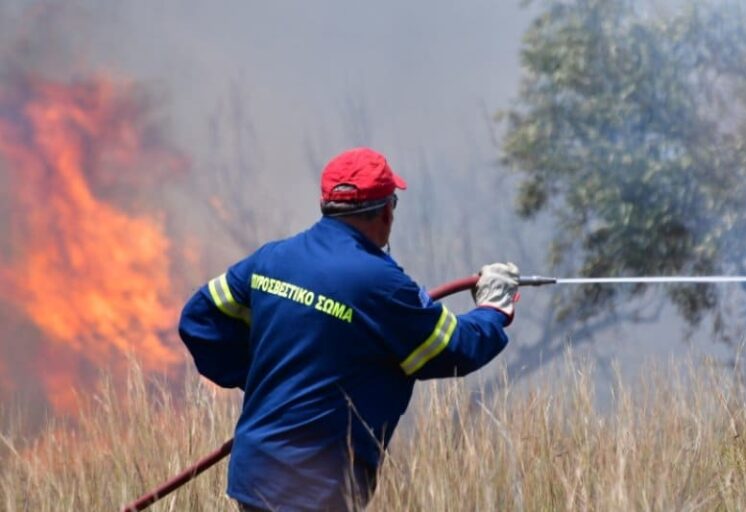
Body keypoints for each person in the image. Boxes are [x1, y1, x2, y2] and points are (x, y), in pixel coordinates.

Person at [178, 147, 520, 511]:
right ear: (387, 211)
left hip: (254, 474)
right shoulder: (382, 285)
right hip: (316, 486)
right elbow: (455, 347)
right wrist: (493, 307)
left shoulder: (271, 258)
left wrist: (267, 381)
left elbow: (199, 320)